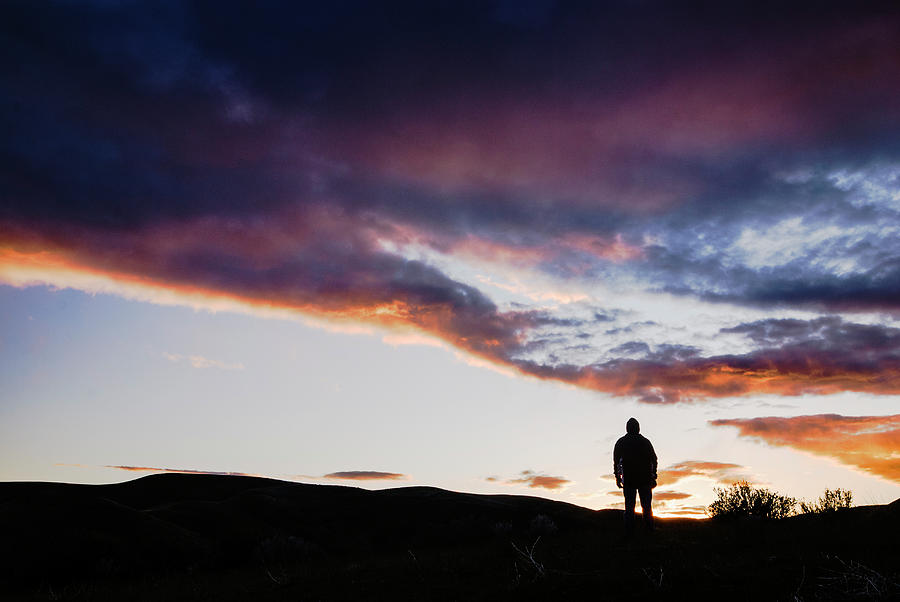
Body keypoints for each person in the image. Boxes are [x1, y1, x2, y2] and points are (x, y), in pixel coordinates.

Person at [613, 417, 658, 534]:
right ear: (638, 428)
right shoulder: (645, 442)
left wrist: (618, 478)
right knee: (646, 507)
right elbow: (654, 459)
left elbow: (616, 461)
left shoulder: (621, 442)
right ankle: (649, 531)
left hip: (630, 480)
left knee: (629, 508)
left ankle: (630, 532)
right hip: (644, 479)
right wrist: (654, 475)